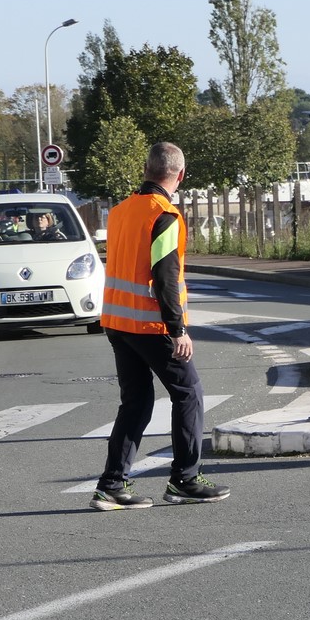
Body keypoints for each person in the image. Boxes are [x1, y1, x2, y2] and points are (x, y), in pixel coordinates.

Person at [91, 141, 230, 510]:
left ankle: (112, 485)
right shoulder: (165, 215)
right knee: (189, 393)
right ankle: (185, 479)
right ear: (180, 175)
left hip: (118, 322)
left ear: (146, 170)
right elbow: (165, 276)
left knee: (135, 402)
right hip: (151, 325)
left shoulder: (120, 211)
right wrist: (177, 329)